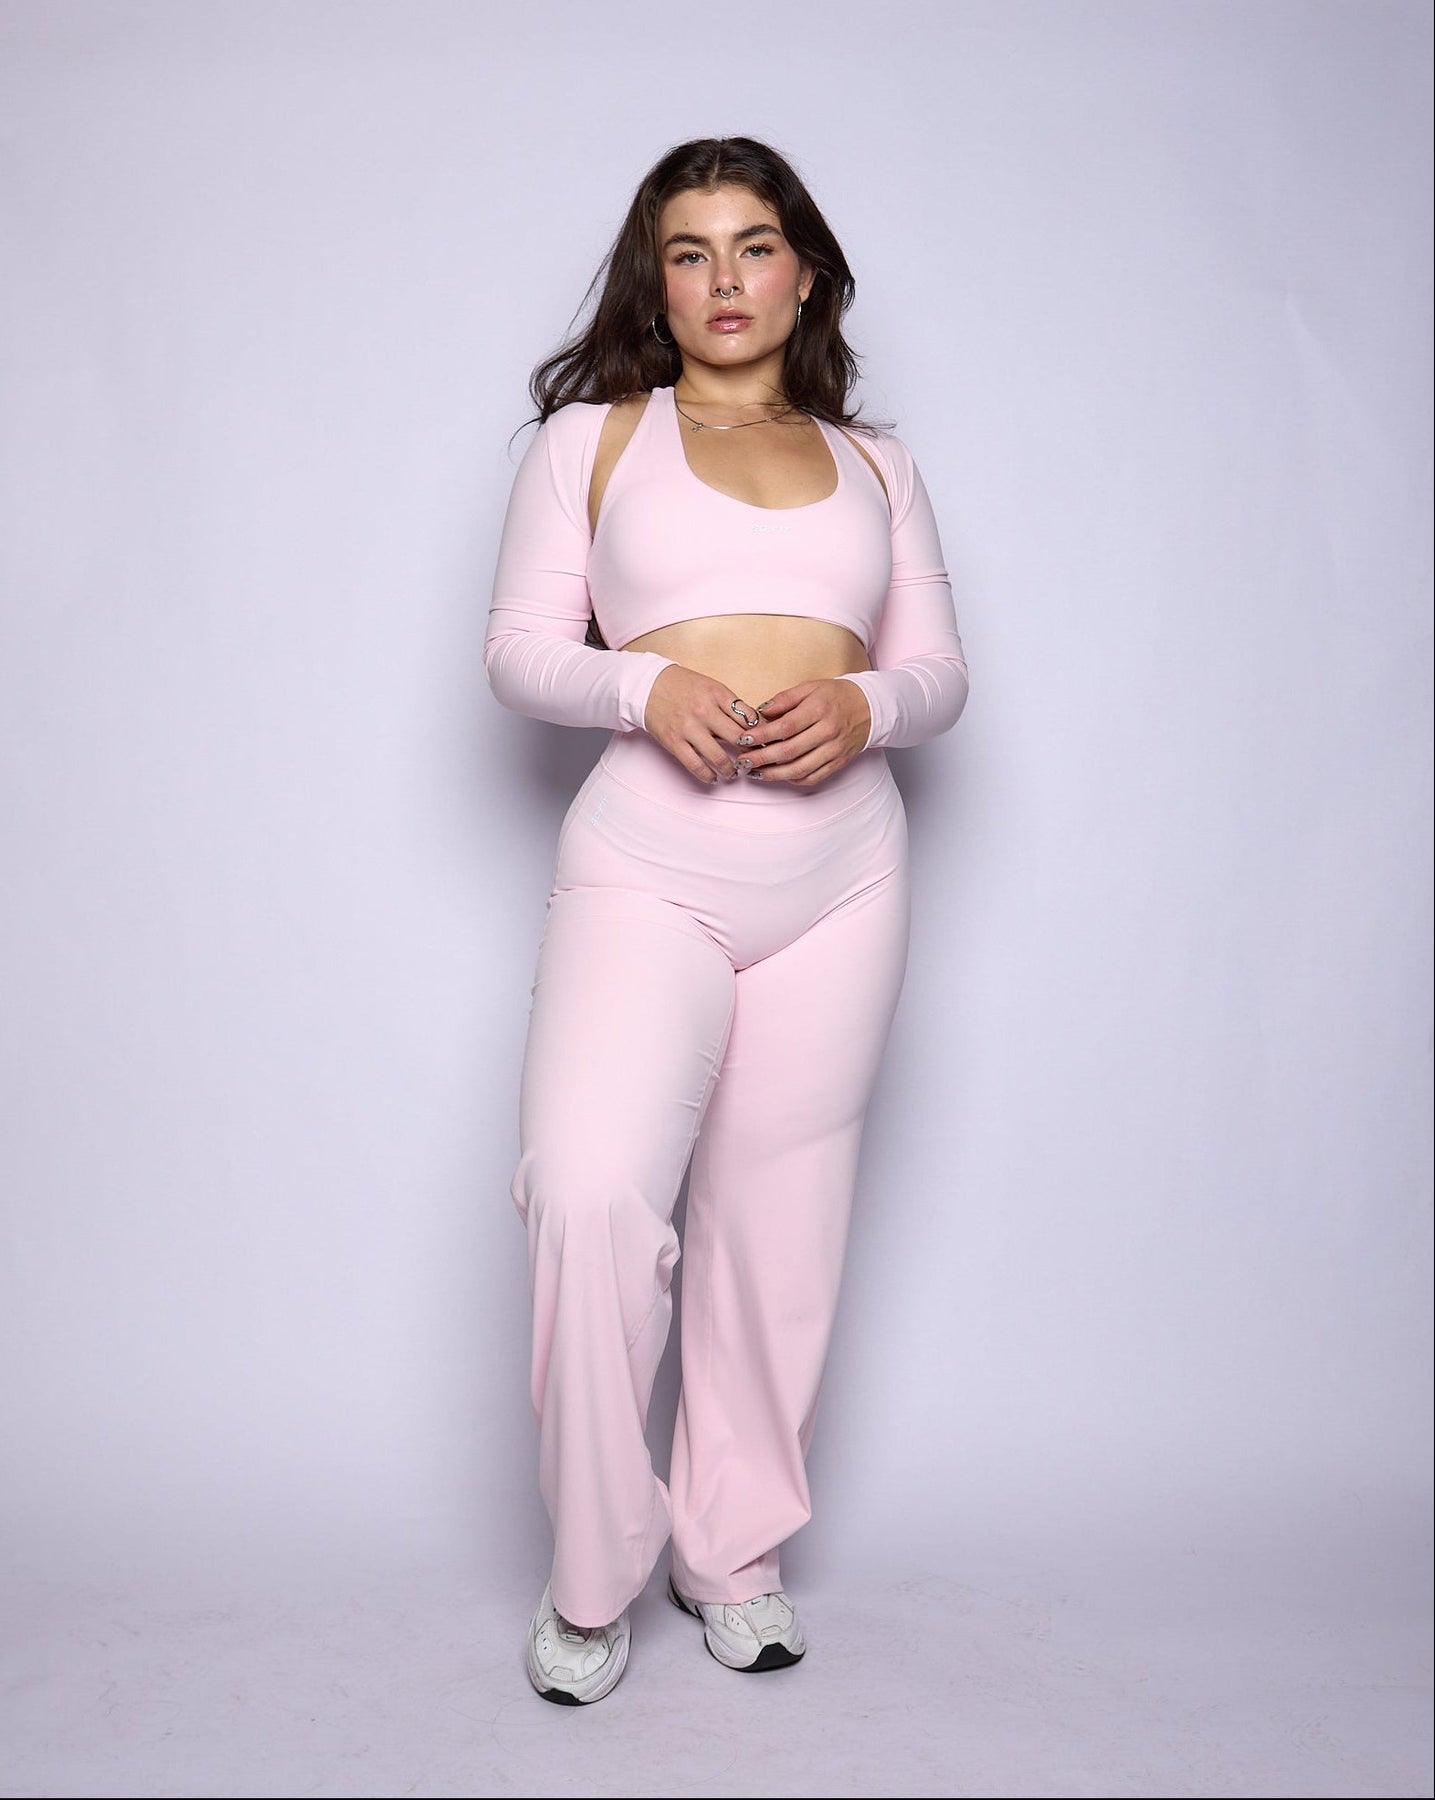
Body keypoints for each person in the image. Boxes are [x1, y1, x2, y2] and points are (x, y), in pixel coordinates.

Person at [484, 136, 969, 1705]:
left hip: (846, 874)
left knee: (780, 1230)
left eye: (754, 246)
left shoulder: (880, 464)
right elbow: (517, 650)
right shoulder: (591, 442)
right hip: (651, 863)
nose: (724, 281)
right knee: (591, 1193)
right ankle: (592, 1573)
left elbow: (941, 673)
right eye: (688, 253)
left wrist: (871, 706)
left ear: (804, 272)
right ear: (658, 282)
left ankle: (733, 1555)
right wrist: (644, 686)